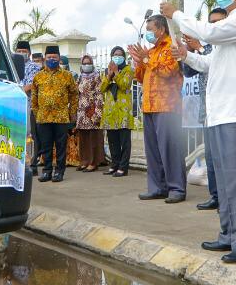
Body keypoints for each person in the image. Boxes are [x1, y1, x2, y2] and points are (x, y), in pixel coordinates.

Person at [165, 0, 236, 264]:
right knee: (224, 178)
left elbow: (207, 32)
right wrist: (187, 56)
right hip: (220, 112)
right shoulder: (232, 24)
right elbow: (212, 64)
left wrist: (176, 14)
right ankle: (230, 234)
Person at [128, 15, 187, 203]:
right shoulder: (152, 51)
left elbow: (168, 72)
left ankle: (176, 188)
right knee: (153, 150)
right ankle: (157, 187)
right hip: (149, 106)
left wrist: (146, 59)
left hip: (167, 106)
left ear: (161, 29)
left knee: (170, 149)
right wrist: (139, 61)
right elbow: (140, 77)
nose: (148, 33)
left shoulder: (172, 46)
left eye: (150, 28)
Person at [181, 7, 229, 211]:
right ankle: (215, 196)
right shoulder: (207, 46)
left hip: (226, 112)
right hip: (207, 111)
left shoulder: (226, 45)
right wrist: (190, 51)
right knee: (211, 157)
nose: (215, 25)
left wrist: (199, 47)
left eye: (219, 21)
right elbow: (189, 71)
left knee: (226, 157)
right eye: (212, 22)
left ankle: (229, 198)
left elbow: (212, 63)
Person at [29, 45, 78, 183]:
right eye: (49, 57)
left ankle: (59, 171)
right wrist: (37, 113)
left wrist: (72, 111)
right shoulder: (38, 76)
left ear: (58, 58)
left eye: (54, 57)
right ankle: (47, 171)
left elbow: (74, 94)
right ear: (45, 58)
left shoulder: (67, 75)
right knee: (46, 145)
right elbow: (34, 96)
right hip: (43, 117)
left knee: (61, 145)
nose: (52, 59)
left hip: (61, 117)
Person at [100, 46, 135, 178]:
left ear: (124, 57)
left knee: (124, 142)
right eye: (115, 54)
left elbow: (125, 85)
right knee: (113, 141)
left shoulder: (128, 70)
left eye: (120, 55)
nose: (117, 56)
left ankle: (123, 167)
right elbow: (102, 88)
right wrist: (109, 75)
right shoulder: (106, 71)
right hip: (110, 112)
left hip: (123, 112)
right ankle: (114, 165)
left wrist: (116, 73)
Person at [74, 54, 105, 172]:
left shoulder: (97, 77)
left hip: (92, 110)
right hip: (81, 112)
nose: (86, 65)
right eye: (84, 63)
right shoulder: (80, 77)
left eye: (89, 63)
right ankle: (84, 161)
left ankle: (93, 162)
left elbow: (99, 95)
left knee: (93, 138)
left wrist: (97, 112)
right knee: (83, 138)